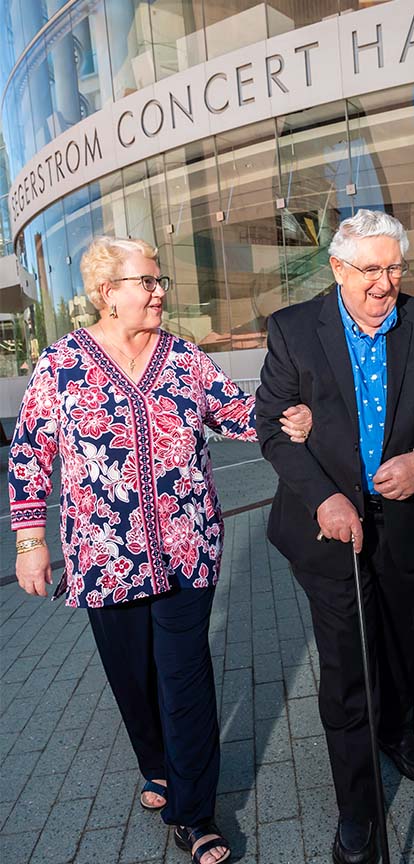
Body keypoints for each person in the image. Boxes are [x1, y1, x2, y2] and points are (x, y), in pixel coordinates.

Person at [8, 236, 311, 864]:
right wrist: (30, 540)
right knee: (133, 680)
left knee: (186, 679)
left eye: (158, 280)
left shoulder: (183, 357)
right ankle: (158, 765)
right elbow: (30, 454)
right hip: (103, 556)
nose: (158, 292)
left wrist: (286, 417)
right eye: (145, 281)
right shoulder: (62, 363)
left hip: (186, 548)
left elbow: (236, 413)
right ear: (106, 294)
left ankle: (194, 813)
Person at [256, 210, 414, 864]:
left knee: (407, 643)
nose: (385, 283)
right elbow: (272, 426)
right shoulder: (294, 329)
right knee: (348, 672)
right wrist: (323, 495)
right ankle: (358, 814)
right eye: (370, 269)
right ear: (337, 269)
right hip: (329, 536)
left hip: (413, 527)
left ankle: (398, 727)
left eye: (395, 267)